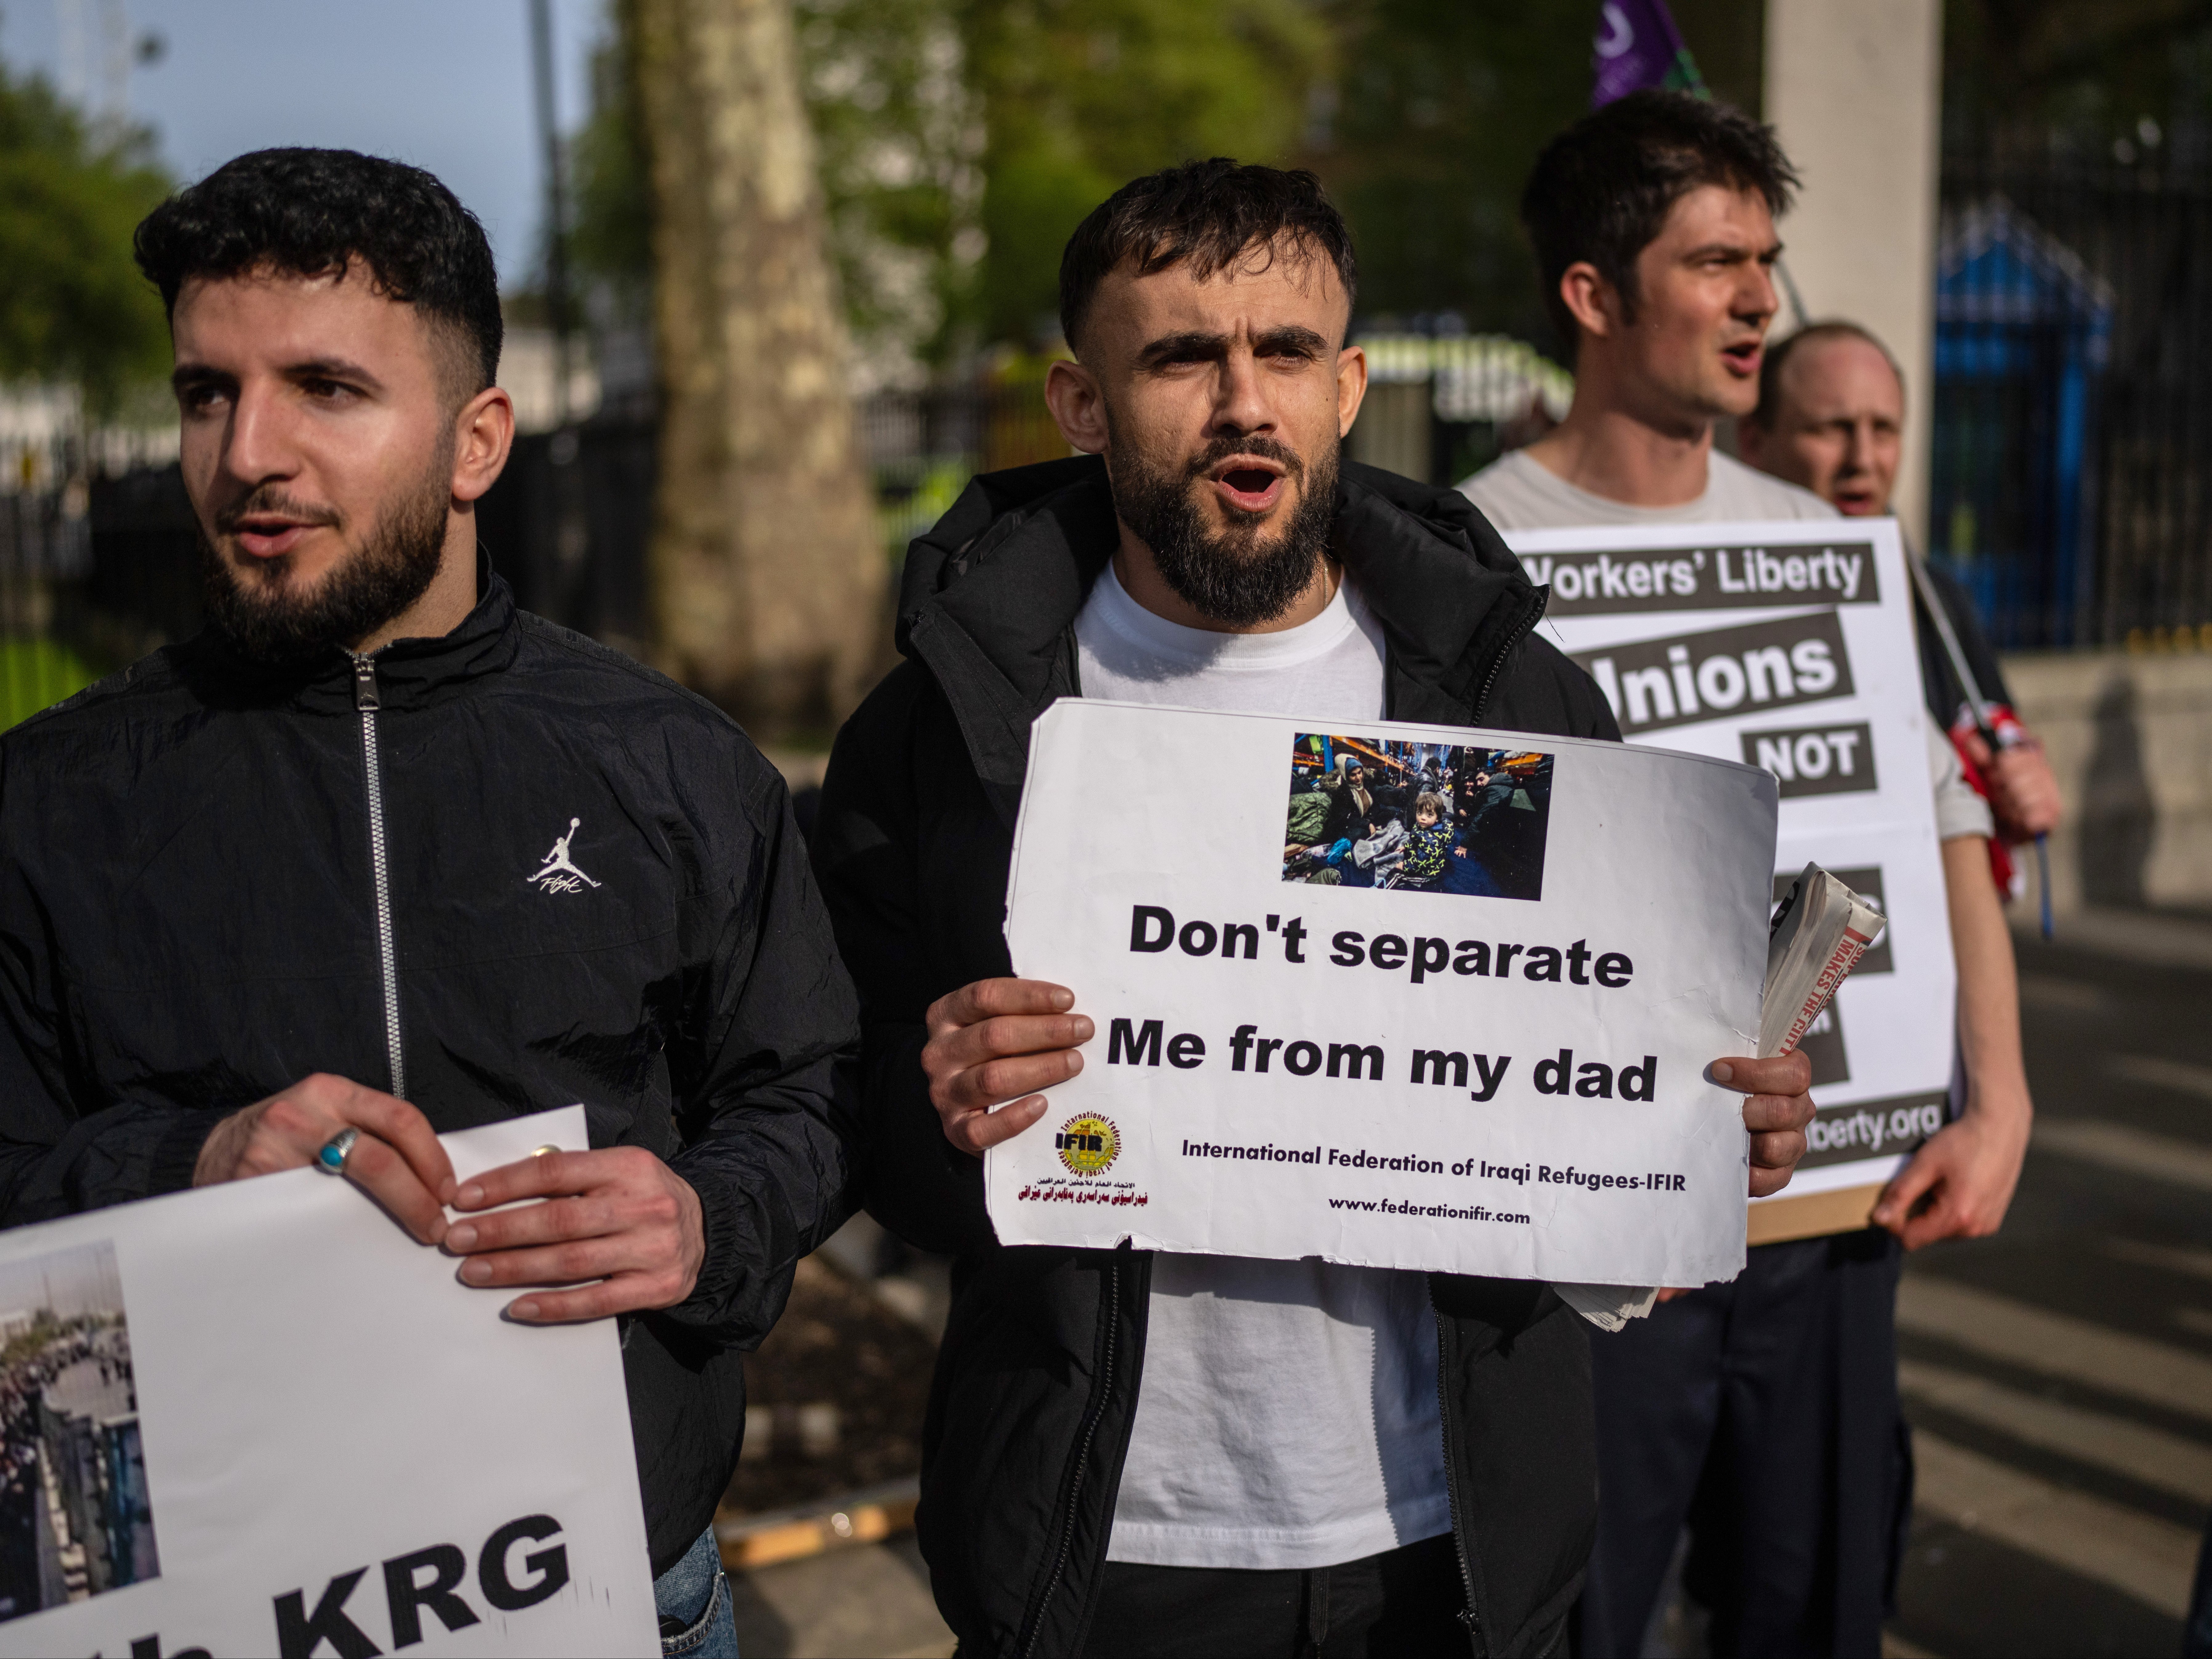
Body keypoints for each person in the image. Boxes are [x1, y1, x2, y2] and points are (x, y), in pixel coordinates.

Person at [811, 157, 1818, 1658]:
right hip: (1100, 1551)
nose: (1242, 402)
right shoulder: (954, 724)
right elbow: (846, 1120)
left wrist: (1700, 1122)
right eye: (1178, 357)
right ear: (1081, 404)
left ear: (1345, 387)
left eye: (1284, 352)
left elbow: (1562, 1080)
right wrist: (933, 1097)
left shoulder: (1499, 702)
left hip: (1446, 1544)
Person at [0, 149, 861, 1658]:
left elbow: (815, 1092)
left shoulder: (670, 763)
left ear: (477, 444)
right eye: (208, 392)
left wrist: (705, 1217)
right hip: (201, 1607)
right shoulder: (50, 801)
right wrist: (191, 1158)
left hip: (621, 1599)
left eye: (325, 388)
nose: (247, 450)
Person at [1461, 94, 2034, 1657]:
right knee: (1581, 1617)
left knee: (1815, 1604)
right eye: (1715, 261)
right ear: (1591, 295)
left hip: (1833, 1220)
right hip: (1588, 1250)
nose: (1757, 301)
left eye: (1764, 260)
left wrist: (1999, 1103)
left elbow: (1943, 829)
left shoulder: (1828, 542)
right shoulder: (1464, 558)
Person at [1737, 320, 2065, 862]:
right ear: (1753, 439)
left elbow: (1996, 747)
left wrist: (2024, 786)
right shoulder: (1701, 588)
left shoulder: (1933, 596)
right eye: (1831, 428)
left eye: (1884, 429)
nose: (1863, 460)